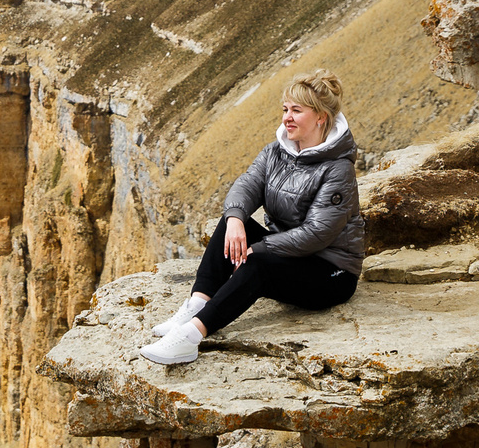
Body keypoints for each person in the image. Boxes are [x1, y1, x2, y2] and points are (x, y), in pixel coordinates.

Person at [140, 68, 363, 366]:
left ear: (321, 116)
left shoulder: (338, 169)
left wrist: (259, 248)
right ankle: (196, 305)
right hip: (288, 255)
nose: (287, 117)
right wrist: (234, 219)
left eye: (297, 110)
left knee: (256, 263)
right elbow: (246, 186)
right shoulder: (277, 151)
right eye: (285, 109)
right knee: (233, 222)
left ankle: (191, 338)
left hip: (330, 272)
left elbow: (317, 234)